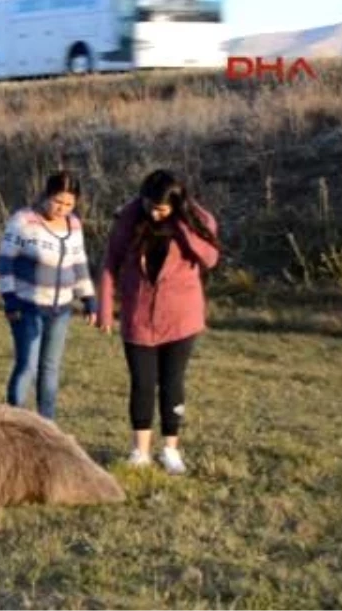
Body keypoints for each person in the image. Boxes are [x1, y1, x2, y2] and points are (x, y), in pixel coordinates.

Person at [95, 169, 220, 475]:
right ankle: (140, 451)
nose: (154, 213)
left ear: (176, 205)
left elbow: (210, 258)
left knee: (172, 382)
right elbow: (111, 261)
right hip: (139, 316)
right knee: (142, 383)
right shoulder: (130, 216)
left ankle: (171, 450)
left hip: (181, 318)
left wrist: (182, 226)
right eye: (149, 205)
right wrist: (105, 307)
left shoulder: (196, 220)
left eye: (162, 209)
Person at [0, 171, 98, 420]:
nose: (62, 208)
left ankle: (47, 425)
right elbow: (4, 261)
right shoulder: (23, 221)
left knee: (50, 369)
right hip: (26, 306)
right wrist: (9, 298)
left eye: (69, 204)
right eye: (57, 201)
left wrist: (88, 298)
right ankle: (14, 422)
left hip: (61, 308)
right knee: (27, 366)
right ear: (46, 195)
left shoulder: (74, 225)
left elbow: (79, 261)